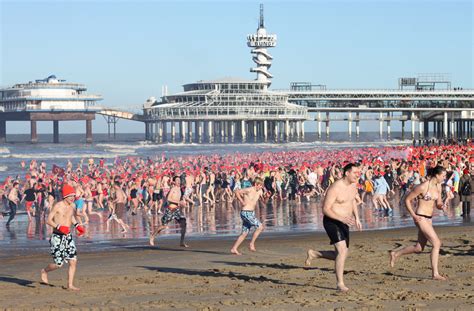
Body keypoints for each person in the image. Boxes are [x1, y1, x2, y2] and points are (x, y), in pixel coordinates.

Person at [305, 163, 362, 292]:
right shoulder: (335, 188)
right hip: (332, 221)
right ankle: (340, 284)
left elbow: (352, 200)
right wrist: (341, 218)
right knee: (342, 251)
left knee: (342, 254)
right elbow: (325, 209)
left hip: (345, 222)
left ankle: (315, 254)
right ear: (347, 173)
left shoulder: (353, 185)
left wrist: (357, 218)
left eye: (358, 173)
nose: (357, 175)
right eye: (355, 173)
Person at [389, 166, 448, 281]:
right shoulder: (422, 187)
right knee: (436, 243)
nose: (444, 178)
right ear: (437, 175)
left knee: (419, 248)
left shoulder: (438, 186)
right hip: (420, 217)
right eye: (443, 175)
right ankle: (435, 274)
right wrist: (414, 215)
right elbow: (407, 200)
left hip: (429, 218)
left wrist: (442, 206)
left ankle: (395, 254)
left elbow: (438, 203)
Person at [40, 184, 85, 290]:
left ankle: (70, 285)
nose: (72, 198)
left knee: (73, 261)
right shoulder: (58, 206)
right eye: (70, 196)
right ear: (65, 196)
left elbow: (71, 217)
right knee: (58, 264)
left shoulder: (73, 206)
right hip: (57, 237)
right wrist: (59, 227)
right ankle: (44, 271)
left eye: (73, 196)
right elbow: (49, 220)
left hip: (68, 237)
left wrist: (78, 226)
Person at [149, 176, 188, 247]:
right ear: (174, 182)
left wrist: (184, 201)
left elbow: (181, 199)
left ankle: (181, 242)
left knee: (184, 224)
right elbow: (169, 198)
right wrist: (179, 202)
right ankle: (152, 236)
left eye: (179, 180)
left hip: (177, 210)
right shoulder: (173, 189)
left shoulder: (180, 189)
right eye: (177, 180)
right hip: (170, 209)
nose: (179, 181)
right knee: (163, 226)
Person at [230, 177, 265, 255]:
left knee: (244, 233)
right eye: (260, 185)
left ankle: (234, 248)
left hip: (251, 213)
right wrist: (242, 201)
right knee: (260, 227)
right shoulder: (249, 189)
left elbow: (264, 201)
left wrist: (267, 197)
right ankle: (251, 243)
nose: (261, 187)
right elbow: (236, 191)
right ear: (256, 184)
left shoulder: (260, 191)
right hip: (245, 213)